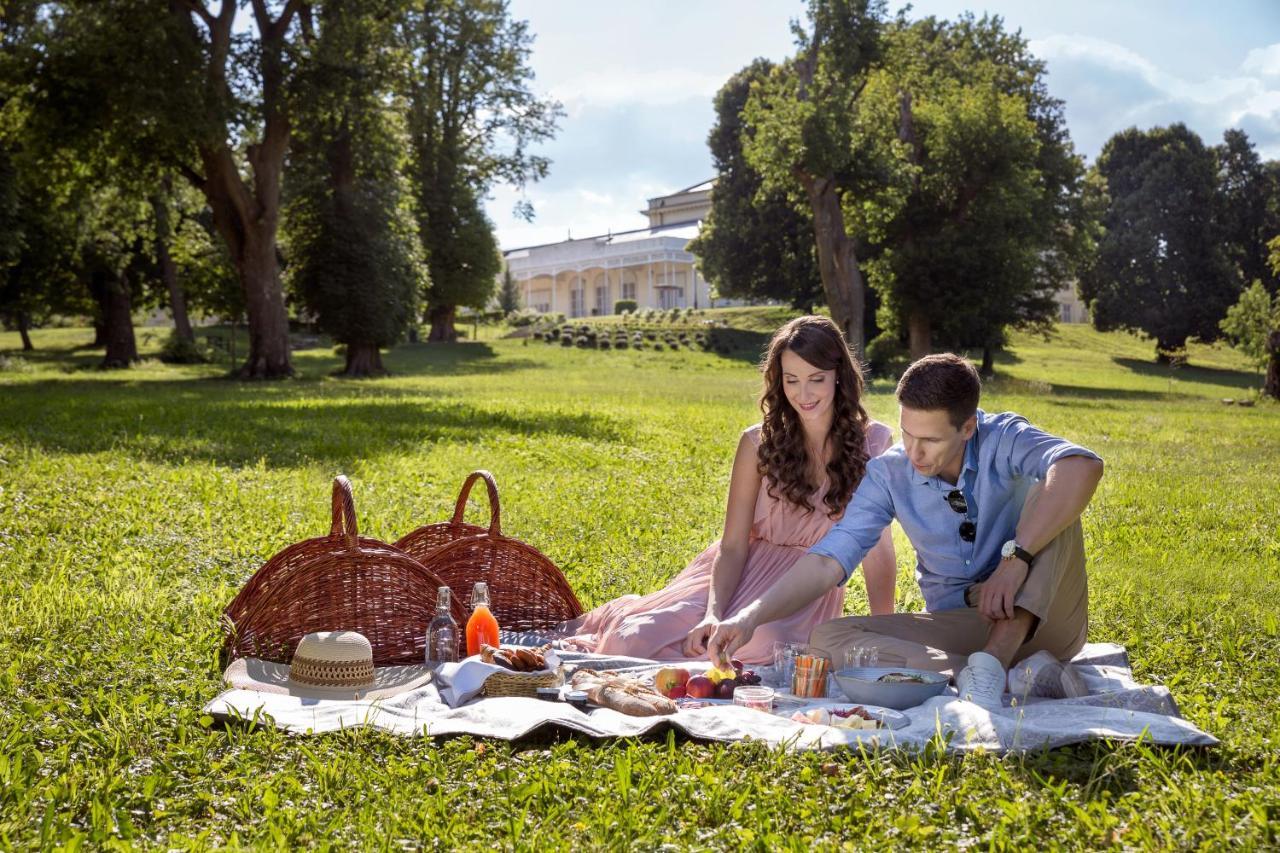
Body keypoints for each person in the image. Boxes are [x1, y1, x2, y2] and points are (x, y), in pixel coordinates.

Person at [706, 353, 1105, 707]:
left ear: (968, 427)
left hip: (1045, 616)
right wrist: (749, 618)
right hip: (963, 623)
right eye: (908, 434)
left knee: (1051, 489)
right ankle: (999, 674)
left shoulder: (1003, 438)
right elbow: (830, 559)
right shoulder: (889, 472)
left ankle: (995, 662)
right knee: (826, 640)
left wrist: (1015, 560)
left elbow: (1082, 466)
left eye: (930, 440)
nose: (914, 453)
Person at [557, 316, 897, 663]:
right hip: (736, 572)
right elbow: (733, 545)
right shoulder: (758, 442)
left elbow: (878, 552)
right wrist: (712, 613)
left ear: (839, 375)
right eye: (792, 380)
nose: (803, 395)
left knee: (760, 645)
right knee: (632, 640)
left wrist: (885, 630)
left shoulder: (874, 443)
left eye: (816, 379)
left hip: (801, 587)